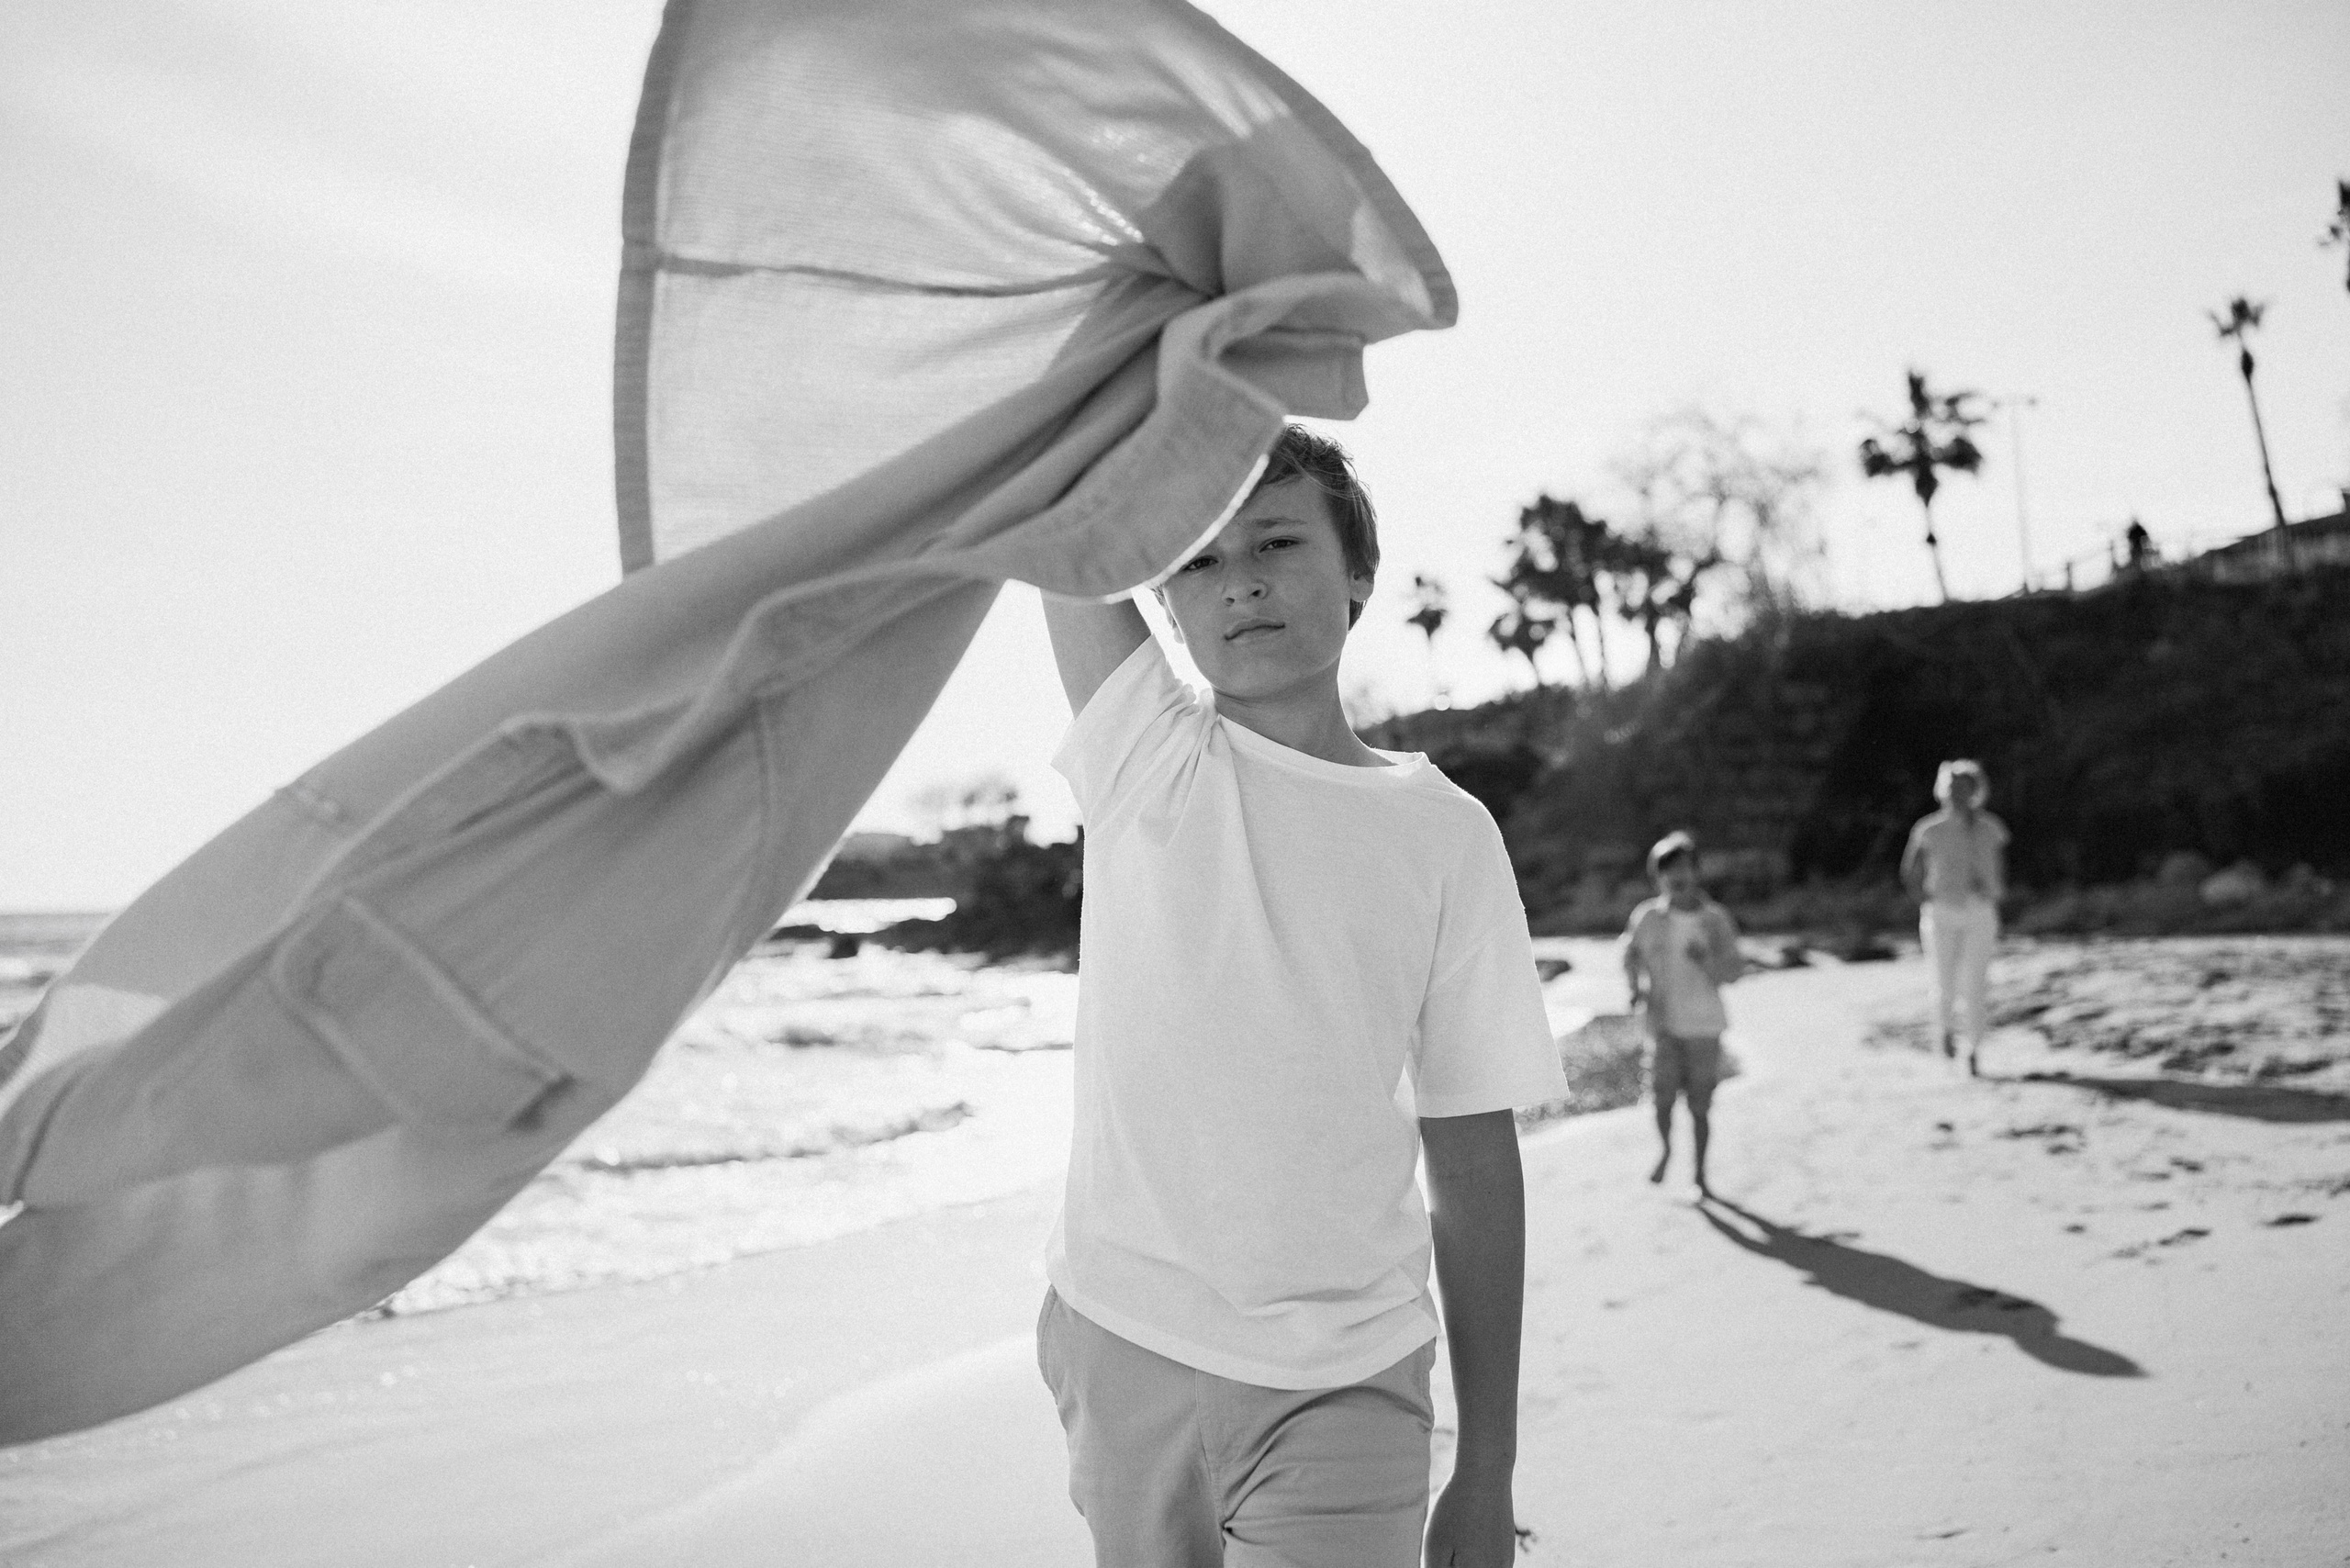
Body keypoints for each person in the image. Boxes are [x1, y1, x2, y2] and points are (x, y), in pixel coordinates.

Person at [1035, 425, 1566, 1568]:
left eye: (1277, 542)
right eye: (1200, 560)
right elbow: (1054, 497)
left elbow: (1474, 1159)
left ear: (1357, 572)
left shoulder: (1445, 835)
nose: (1241, 581)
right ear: (1162, 601)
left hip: (1346, 1371)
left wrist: (1488, 1466)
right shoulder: (1145, 756)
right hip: (1124, 1342)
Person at [1620, 832, 1743, 1194]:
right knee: (1661, 1100)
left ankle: (1700, 1176)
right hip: (1663, 1025)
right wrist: (1634, 988)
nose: (1676, 876)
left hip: (1706, 1026)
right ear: (1657, 877)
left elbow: (1734, 972)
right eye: (1668, 870)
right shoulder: (1647, 916)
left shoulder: (1715, 919)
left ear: (1696, 872)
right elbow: (1629, 954)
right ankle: (1667, 1150)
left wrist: (1707, 960)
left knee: (1700, 1108)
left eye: (1684, 868)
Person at [1901, 758, 2009, 1075]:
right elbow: (1909, 871)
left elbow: (2000, 866)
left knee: (1975, 981)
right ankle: (1945, 1031)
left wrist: (1994, 893)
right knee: (1943, 980)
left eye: (1963, 787)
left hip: (1979, 909)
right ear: (1942, 791)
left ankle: (1974, 1048)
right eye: (1951, 787)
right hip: (1941, 911)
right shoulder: (1929, 828)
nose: (1956, 794)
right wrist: (1925, 900)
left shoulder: (1991, 827)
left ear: (1975, 790)